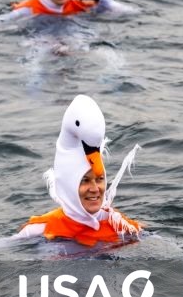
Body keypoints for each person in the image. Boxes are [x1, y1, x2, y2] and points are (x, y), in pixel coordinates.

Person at [17, 94, 143, 247]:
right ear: (69, 186)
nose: (95, 189)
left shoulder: (122, 227)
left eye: (100, 179)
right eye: (85, 180)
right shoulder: (39, 230)